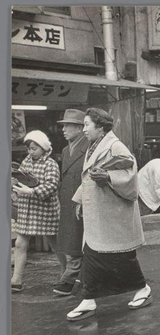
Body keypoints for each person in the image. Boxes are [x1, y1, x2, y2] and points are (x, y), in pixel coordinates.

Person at [67, 108, 152, 321]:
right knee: (94, 253)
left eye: (87, 124)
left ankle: (142, 288)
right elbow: (88, 177)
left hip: (114, 214)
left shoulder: (115, 146)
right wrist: (80, 200)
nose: (84, 129)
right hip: (101, 211)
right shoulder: (95, 145)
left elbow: (131, 176)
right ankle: (88, 298)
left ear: (101, 127)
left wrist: (107, 175)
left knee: (121, 256)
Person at [11, 131, 63, 292]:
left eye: (34, 148)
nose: (31, 152)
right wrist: (15, 182)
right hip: (27, 209)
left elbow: (52, 185)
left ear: (43, 148)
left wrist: (32, 191)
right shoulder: (25, 162)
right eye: (29, 149)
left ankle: (68, 273)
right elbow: (22, 179)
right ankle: (16, 280)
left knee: (55, 243)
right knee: (20, 243)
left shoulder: (51, 164)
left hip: (45, 209)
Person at [53, 109, 89, 296]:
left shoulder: (89, 147)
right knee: (72, 239)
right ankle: (79, 277)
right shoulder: (67, 150)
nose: (64, 129)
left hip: (82, 200)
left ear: (80, 128)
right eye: (63, 125)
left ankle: (68, 278)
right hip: (68, 200)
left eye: (68, 125)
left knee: (77, 239)